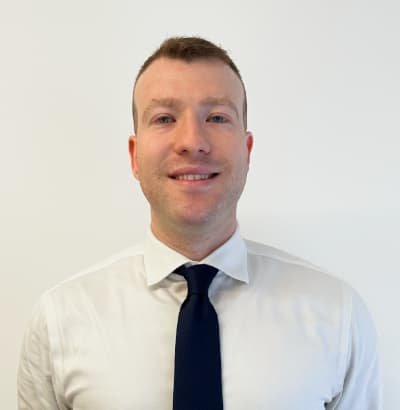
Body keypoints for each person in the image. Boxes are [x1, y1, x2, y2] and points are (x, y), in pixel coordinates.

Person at [18, 37, 381, 409]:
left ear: (247, 151)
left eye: (217, 117)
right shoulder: (61, 319)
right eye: (164, 119)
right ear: (134, 156)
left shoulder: (338, 316)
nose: (192, 142)